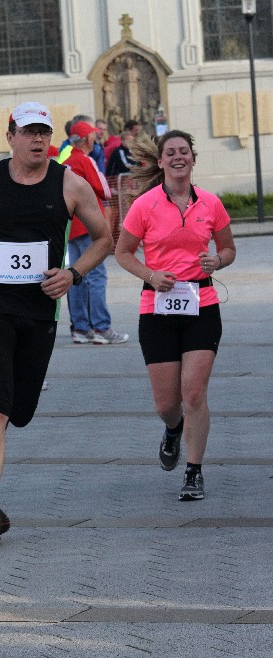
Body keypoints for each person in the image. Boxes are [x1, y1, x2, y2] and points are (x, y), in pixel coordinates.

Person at [0, 101, 112, 544]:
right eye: (30, 131)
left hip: (40, 311)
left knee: (21, 411)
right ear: (11, 135)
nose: (38, 139)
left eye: (44, 132)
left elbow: (104, 237)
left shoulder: (69, 184)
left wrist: (73, 274)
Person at [114, 129, 236, 501]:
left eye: (185, 151)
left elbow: (228, 248)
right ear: (161, 161)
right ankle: (173, 428)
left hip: (202, 304)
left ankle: (194, 471)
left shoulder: (211, 203)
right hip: (157, 308)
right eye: (171, 152)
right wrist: (151, 275)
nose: (178, 157)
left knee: (194, 393)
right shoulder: (144, 205)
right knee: (167, 403)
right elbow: (123, 253)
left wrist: (217, 261)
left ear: (193, 159)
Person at [63, 121, 128, 345]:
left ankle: (80, 327)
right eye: (93, 135)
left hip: (70, 226)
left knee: (76, 276)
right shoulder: (84, 160)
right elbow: (105, 190)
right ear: (87, 139)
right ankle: (101, 326)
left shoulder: (66, 162)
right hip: (89, 226)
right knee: (96, 276)